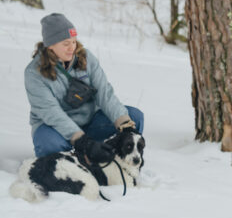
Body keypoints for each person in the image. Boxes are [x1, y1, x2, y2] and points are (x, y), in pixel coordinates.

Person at [25, 13, 144, 163]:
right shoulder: (34, 73)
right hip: (55, 129)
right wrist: (82, 141)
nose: (72, 48)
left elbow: (104, 93)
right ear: (50, 45)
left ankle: (115, 160)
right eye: (66, 43)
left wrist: (124, 123)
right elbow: (51, 113)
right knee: (47, 142)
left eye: (74, 42)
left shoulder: (86, 58)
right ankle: (72, 160)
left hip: (89, 123)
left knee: (135, 117)